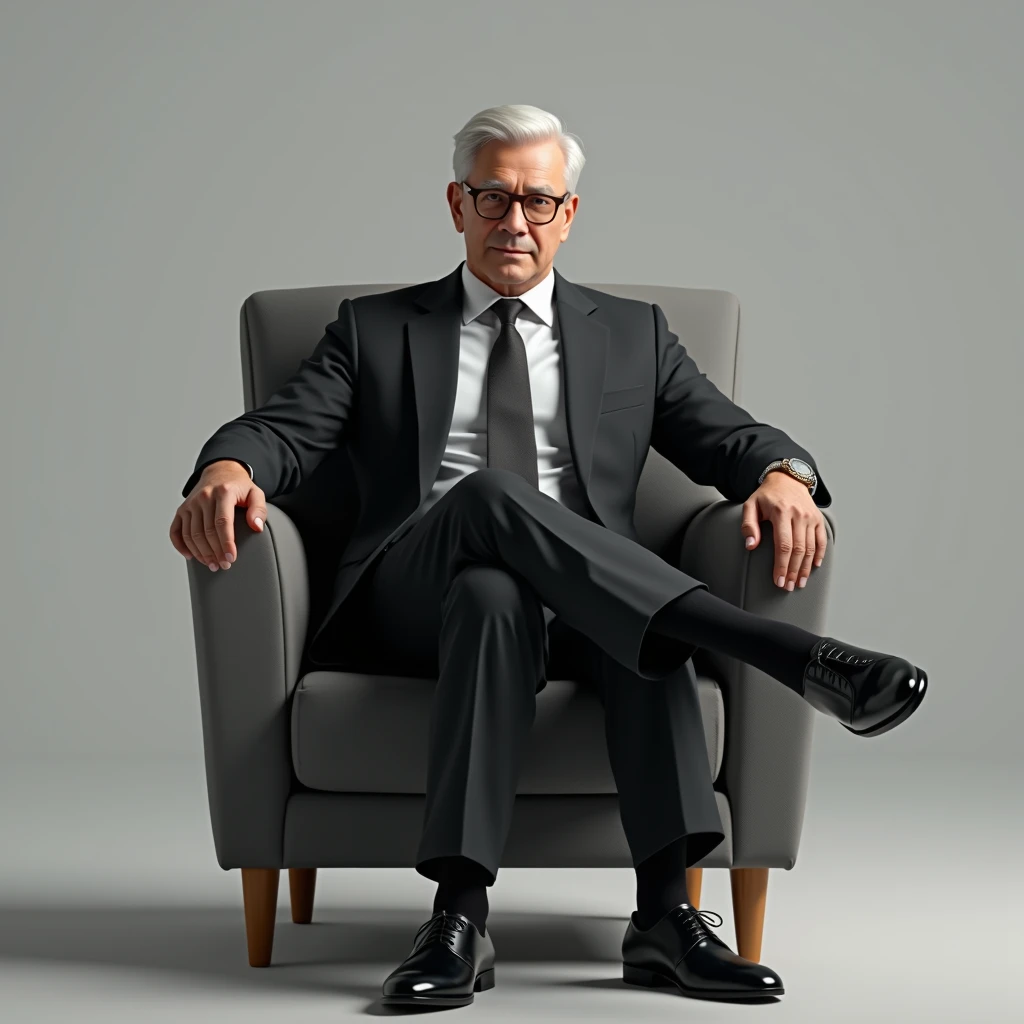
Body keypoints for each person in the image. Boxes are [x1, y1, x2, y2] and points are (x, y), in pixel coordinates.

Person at [170, 104, 927, 1008]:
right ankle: (788, 658)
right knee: (486, 504)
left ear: (570, 213)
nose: (515, 222)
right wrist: (225, 468)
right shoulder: (373, 330)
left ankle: (589, 922)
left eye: (538, 201)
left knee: (563, 604)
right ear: (457, 204)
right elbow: (280, 432)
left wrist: (784, 476)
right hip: (410, 602)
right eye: (493, 198)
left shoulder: (632, 334)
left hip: (579, 606)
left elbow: (730, 435)